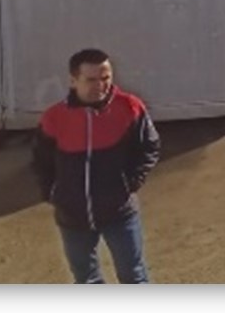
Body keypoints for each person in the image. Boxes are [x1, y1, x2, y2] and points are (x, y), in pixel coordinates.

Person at [31, 49, 160, 283]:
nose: (101, 85)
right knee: (86, 279)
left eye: (106, 78)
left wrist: (130, 183)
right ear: (73, 81)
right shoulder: (54, 118)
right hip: (73, 216)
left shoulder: (130, 108)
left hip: (120, 213)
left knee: (133, 274)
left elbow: (150, 147)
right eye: (91, 80)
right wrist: (53, 193)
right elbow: (41, 161)